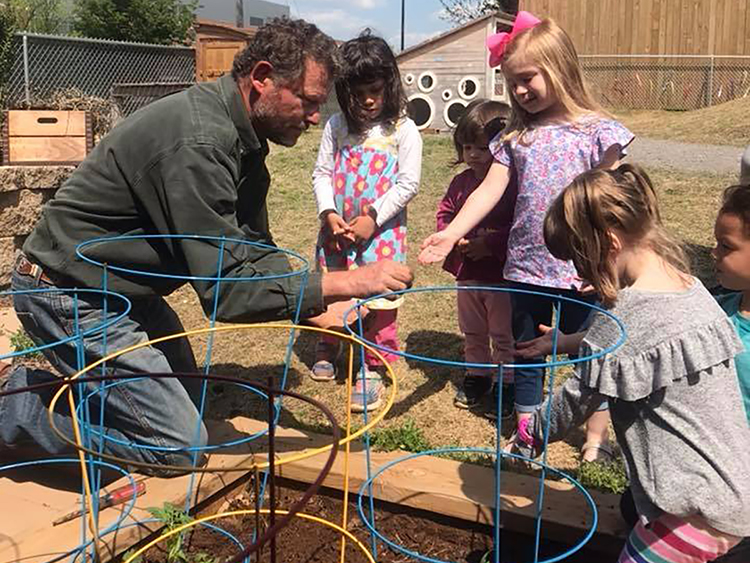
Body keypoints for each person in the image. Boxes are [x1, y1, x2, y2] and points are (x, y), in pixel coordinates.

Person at [0, 17, 412, 469]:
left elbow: (254, 249)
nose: (316, 117)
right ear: (261, 78)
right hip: (67, 292)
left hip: (124, 291)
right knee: (180, 445)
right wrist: (347, 283)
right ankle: (11, 402)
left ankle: (94, 400)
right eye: (309, 101)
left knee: (185, 407)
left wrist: (315, 308)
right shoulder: (200, 143)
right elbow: (227, 291)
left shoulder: (245, 137)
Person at [511, 164, 750, 563]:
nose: (577, 272)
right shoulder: (691, 289)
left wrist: (529, 433)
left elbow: (575, 399)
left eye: (578, 258)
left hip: (697, 512)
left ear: (608, 243)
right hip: (733, 486)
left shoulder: (623, 320)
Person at [419, 12, 628, 460]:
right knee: (527, 351)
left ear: (559, 67)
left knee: (588, 353)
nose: (518, 91)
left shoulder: (597, 131)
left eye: (527, 78)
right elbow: (490, 189)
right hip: (527, 266)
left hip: (581, 270)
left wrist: (607, 262)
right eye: (511, 82)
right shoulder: (516, 135)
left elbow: (611, 204)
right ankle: (529, 434)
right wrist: (450, 232)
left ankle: (595, 438)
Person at [310, 30, 422, 413]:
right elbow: (322, 173)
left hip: (381, 233)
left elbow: (409, 183)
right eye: (358, 95)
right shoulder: (337, 127)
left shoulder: (403, 130)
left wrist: (372, 217)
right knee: (336, 285)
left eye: (374, 90)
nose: (368, 101)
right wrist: (330, 213)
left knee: (379, 297)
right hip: (338, 232)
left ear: (389, 84)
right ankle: (331, 340)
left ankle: (373, 364)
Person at [435, 100, 516, 414]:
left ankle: (507, 382)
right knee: (472, 330)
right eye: (467, 147)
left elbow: (520, 227)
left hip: (502, 277)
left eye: (482, 148)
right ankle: (477, 375)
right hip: (469, 275)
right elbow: (446, 213)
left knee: (503, 333)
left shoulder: (511, 184)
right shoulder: (461, 183)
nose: (472, 155)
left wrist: (491, 244)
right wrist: (451, 237)